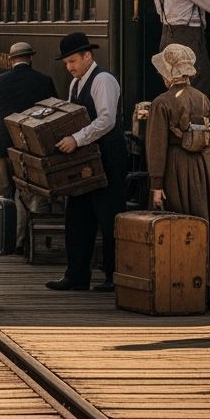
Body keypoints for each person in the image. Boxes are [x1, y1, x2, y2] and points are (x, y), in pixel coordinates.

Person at [147, 44, 210, 301]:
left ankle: (182, 286)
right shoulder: (202, 98)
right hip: (207, 167)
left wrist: (156, 185)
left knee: (180, 225)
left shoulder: (161, 103)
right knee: (207, 219)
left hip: (178, 167)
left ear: (167, 73)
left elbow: (157, 147)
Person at [47, 32, 129, 293]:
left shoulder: (103, 80)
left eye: (73, 61)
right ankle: (77, 274)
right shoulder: (76, 84)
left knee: (108, 216)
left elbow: (107, 120)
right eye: (66, 63)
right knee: (77, 216)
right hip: (86, 160)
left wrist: (76, 139)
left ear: (87, 56)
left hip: (108, 156)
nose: (69, 67)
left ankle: (113, 276)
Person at [0, 42, 57, 250]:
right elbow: (53, 114)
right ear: (31, 58)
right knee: (32, 193)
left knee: (2, 194)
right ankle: (26, 241)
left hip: (4, 147)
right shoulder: (44, 81)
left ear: (11, 60)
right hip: (31, 148)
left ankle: (0, 240)